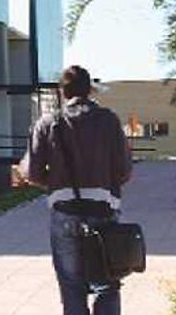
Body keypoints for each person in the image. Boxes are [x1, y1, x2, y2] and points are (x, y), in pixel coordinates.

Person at [19, 66, 132, 315]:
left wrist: (57, 181)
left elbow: (32, 173)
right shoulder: (109, 120)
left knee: (72, 289)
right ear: (89, 90)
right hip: (104, 213)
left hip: (66, 214)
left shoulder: (48, 123)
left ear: (62, 92)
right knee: (107, 284)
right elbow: (124, 171)